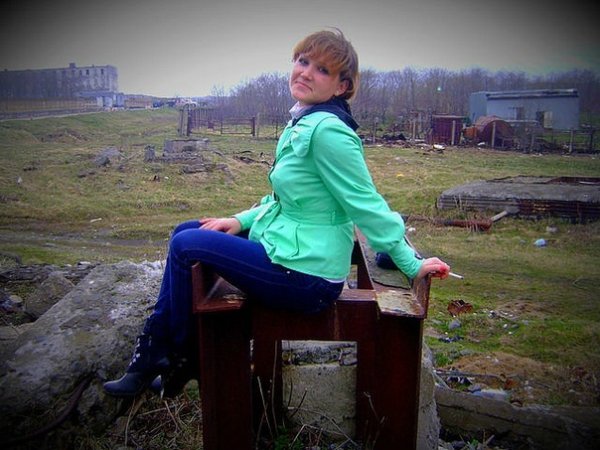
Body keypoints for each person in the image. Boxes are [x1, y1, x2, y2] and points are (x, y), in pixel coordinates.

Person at [103, 28, 450, 398]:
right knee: (184, 230)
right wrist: (239, 221)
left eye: (321, 69)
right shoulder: (305, 121)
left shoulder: (328, 132)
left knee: (186, 245)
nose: (306, 72)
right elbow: (283, 200)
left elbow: (366, 204)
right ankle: (169, 355)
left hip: (308, 278)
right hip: (292, 253)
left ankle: (174, 355)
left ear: (341, 86)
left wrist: (410, 263)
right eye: (303, 61)